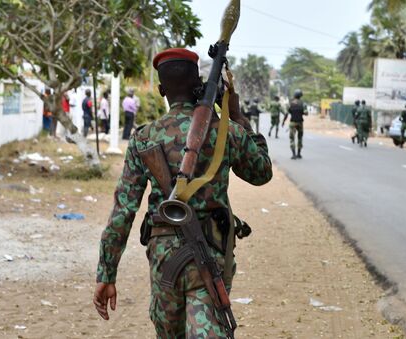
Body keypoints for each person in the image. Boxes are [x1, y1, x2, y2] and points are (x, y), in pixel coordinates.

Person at [92, 48, 272, 337]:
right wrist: (238, 117)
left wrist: (106, 273)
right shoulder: (225, 131)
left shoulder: (144, 137)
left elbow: (123, 211)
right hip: (209, 255)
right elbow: (262, 172)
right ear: (197, 82)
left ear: (162, 90)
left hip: (164, 260)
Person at [282, 89, 307, 159]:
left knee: (292, 138)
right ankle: (299, 154)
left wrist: (283, 121)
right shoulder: (303, 103)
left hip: (292, 123)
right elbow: (306, 113)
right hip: (300, 123)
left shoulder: (290, 103)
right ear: (300, 96)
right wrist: (301, 111)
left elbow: (286, 114)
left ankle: (294, 154)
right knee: (300, 138)